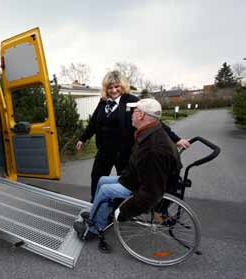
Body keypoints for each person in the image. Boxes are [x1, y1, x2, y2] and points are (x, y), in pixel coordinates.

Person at [73, 98, 182, 241]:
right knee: (102, 180)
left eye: (134, 111)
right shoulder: (150, 131)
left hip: (141, 185)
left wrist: (123, 212)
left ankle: (93, 230)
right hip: (136, 178)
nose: (131, 114)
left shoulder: (153, 148)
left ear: (141, 115)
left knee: (106, 190)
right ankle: (98, 214)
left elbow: (151, 192)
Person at [76, 71, 189, 202]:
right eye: (110, 87)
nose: (113, 90)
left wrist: (176, 139)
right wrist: (83, 138)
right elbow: (94, 122)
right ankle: (95, 204)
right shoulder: (103, 102)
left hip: (124, 151)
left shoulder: (132, 101)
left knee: (123, 181)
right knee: (97, 177)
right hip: (105, 150)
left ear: (122, 86)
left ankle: (119, 208)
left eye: (116, 86)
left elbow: (154, 121)